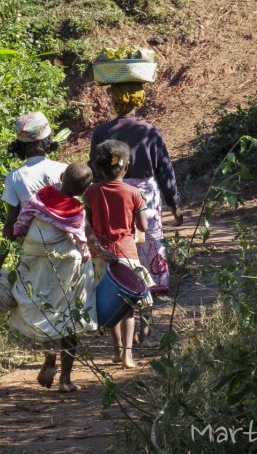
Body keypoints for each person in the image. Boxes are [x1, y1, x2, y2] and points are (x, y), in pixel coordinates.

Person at [12, 162, 117, 392]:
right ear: (83, 191)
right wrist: (102, 253)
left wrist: (20, 235)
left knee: (47, 313)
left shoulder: (41, 196)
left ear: (61, 176)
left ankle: (49, 361)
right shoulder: (76, 211)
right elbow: (87, 238)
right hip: (67, 270)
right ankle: (65, 379)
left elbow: (22, 221)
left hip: (38, 265)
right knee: (70, 321)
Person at [89, 82, 183, 296]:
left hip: (112, 195)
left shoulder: (102, 132)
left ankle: (121, 288)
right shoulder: (149, 131)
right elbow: (165, 169)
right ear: (139, 99)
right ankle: (152, 291)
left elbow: (95, 168)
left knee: (119, 241)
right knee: (149, 241)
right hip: (146, 195)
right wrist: (174, 204)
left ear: (113, 100)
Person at [83, 140, 154, 369]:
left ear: (98, 168)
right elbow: (143, 226)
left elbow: (87, 223)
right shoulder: (135, 193)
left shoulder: (91, 192)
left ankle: (115, 352)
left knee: (110, 305)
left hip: (101, 257)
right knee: (128, 309)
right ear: (127, 166)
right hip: (127, 255)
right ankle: (127, 356)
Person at [0, 111, 67, 277]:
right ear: (48, 139)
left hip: (33, 250)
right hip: (65, 247)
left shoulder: (14, 177)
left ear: (19, 145)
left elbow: (11, 223)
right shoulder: (64, 169)